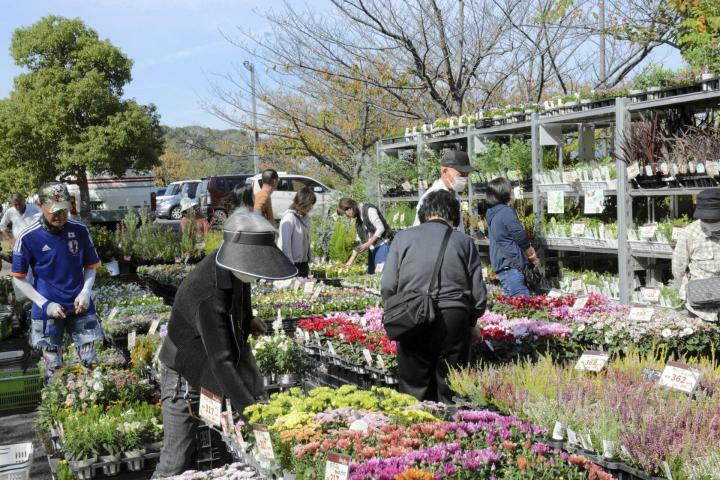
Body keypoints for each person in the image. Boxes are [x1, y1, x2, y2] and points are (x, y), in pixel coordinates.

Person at [153, 211, 298, 477]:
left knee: (225, 453)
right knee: (176, 460)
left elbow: (242, 297)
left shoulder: (234, 268)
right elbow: (222, 363)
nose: (259, 272)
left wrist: (249, 319)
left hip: (211, 365)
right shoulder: (209, 292)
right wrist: (254, 416)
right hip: (184, 374)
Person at [381, 190, 486, 403]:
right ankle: (453, 428)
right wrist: (472, 320)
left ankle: (417, 430)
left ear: (423, 213)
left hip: (412, 315)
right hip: (453, 316)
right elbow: (478, 294)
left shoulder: (403, 238)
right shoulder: (464, 241)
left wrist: (395, 311)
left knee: (413, 385)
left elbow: (388, 285)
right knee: (452, 384)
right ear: (453, 215)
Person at [11, 182, 103, 375]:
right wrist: (45, 304)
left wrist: (86, 292)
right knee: (53, 370)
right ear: (40, 206)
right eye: (55, 211)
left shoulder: (79, 230)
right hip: (47, 312)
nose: (61, 216)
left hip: (80, 307)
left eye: (64, 210)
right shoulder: (28, 237)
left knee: (92, 366)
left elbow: (91, 266)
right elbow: (18, 278)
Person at [485, 177, 539, 297]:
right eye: (510, 189)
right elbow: (519, 235)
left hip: (504, 267)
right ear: (503, 192)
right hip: (511, 266)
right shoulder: (506, 211)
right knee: (523, 306)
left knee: (515, 306)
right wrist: (532, 255)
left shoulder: (493, 213)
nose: (512, 192)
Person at [672, 188, 720, 321]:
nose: (710, 222)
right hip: (699, 306)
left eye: (714, 219)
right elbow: (678, 268)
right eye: (706, 219)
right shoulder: (689, 233)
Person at [413, 150, 473, 232]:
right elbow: (419, 231)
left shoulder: (454, 194)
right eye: (461, 175)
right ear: (445, 171)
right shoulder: (432, 198)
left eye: (467, 174)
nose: (464, 179)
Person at [337, 197, 393, 274]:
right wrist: (351, 260)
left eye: (346, 214)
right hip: (373, 249)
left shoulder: (369, 210)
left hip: (383, 246)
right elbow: (362, 243)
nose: (348, 217)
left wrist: (367, 244)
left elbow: (380, 228)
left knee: (381, 276)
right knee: (371, 275)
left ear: (349, 209)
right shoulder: (358, 220)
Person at [278, 188, 316, 277]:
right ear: (302, 202)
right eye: (309, 205)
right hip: (293, 265)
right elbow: (285, 245)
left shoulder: (305, 217)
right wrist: (290, 267)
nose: (311, 207)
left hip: (303, 263)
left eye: (312, 205)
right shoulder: (289, 218)